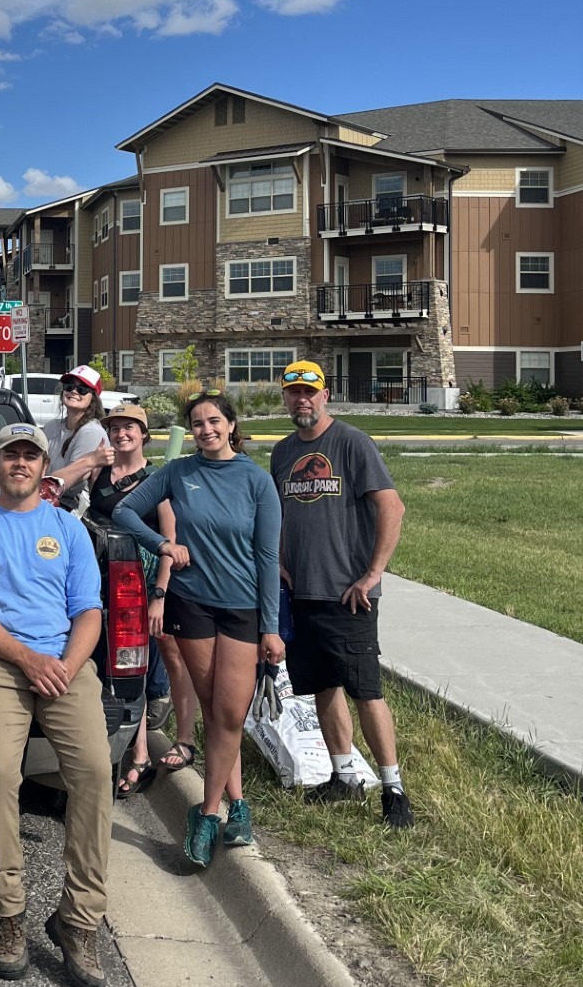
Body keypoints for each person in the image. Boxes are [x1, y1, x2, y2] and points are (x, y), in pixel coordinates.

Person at [0, 422, 110, 987]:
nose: (20, 463)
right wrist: (25, 659)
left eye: (30, 455)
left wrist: (64, 664)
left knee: (93, 773)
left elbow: (89, 609)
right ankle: (8, 914)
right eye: (11, 454)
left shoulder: (69, 528)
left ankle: (78, 921)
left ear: (45, 468)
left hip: (64, 664)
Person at [112, 391, 283, 869]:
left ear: (231, 425)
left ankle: (208, 813)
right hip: (194, 605)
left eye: (214, 420)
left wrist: (271, 627)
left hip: (243, 608)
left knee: (229, 712)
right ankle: (234, 808)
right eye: (197, 422)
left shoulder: (256, 480)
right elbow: (126, 512)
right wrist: (164, 545)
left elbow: (269, 559)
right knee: (217, 710)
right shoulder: (178, 472)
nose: (206, 429)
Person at [271, 360, 414, 829]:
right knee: (321, 686)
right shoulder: (283, 452)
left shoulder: (351, 443)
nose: (301, 400)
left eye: (309, 392)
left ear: (325, 394)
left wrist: (373, 574)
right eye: (293, 393)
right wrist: (282, 564)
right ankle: (343, 774)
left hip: (348, 595)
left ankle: (393, 789)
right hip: (303, 593)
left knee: (365, 690)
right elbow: (278, 515)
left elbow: (392, 506)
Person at [53, 401, 199, 795]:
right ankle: (135, 753)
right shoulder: (100, 469)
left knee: (150, 661)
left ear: (144, 435)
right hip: (102, 574)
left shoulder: (157, 480)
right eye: (115, 428)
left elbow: (171, 540)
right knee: (112, 663)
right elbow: (56, 484)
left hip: (144, 580)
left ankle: (161, 745)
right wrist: (88, 460)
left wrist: (159, 596)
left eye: (129, 428)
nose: (121, 434)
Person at [39, 366, 110, 512]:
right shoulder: (52, 427)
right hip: (44, 500)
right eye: (69, 386)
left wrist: (38, 485)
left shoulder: (91, 432)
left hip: (71, 509)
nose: (74, 391)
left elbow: (63, 484)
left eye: (82, 389)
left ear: (93, 398)